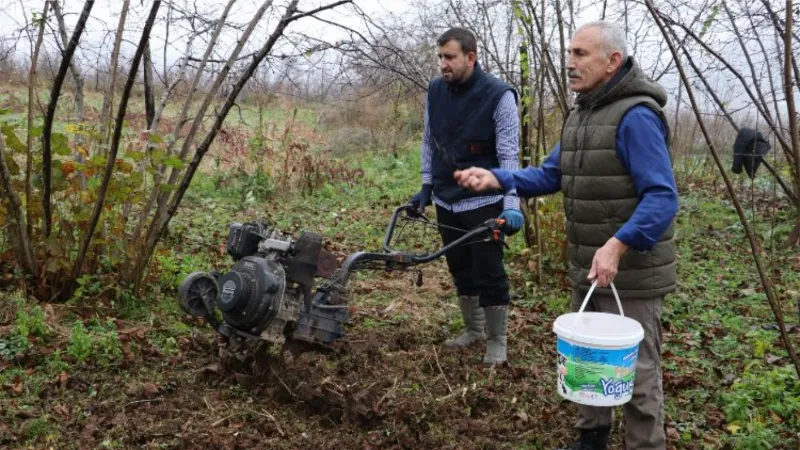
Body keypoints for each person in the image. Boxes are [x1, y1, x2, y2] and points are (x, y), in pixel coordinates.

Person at [454, 21, 679, 450]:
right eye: (569, 53)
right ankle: (591, 439)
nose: (570, 63)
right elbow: (550, 174)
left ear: (613, 61)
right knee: (590, 360)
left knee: (639, 375)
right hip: (591, 269)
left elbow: (662, 198)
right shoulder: (583, 113)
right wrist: (497, 179)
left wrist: (616, 245)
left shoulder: (636, 117)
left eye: (580, 54)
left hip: (630, 274)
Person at [408, 27, 524, 366]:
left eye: (450, 57)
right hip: (447, 198)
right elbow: (429, 141)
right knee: (459, 268)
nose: (443, 64)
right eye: (440, 57)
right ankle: (473, 329)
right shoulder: (435, 91)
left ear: (470, 58)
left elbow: (508, 157)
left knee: (489, 270)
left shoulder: (499, 96)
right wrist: (427, 186)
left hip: (484, 201)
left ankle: (497, 340)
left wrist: (512, 205)